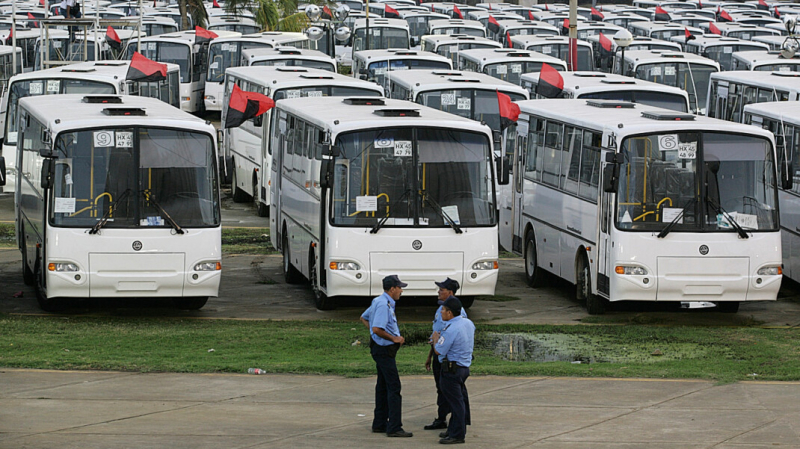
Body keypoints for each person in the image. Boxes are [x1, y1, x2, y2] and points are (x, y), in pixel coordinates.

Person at [360, 275, 413, 438]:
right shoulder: (383, 304)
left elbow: (364, 317)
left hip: (380, 349)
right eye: (399, 288)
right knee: (394, 387)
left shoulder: (379, 301)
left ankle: (380, 423)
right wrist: (393, 338)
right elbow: (377, 328)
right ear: (392, 289)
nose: (401, 291)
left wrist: (375, 334)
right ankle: (394, 427)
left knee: (382, 386)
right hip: (384, 350)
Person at [424, 277, 467, 431]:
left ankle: (455, 424)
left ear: (450, 293)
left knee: (451, 391)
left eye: (442, 290)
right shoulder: (441, 309)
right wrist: (430, 356)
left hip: (449, 358)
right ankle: (442, 418)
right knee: (441, 387)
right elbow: (436, 335)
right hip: (439, 353)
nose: (438, 292)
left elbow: (454, 337)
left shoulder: (458, 313)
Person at [433, 296, 475, 445]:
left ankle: (457, 434)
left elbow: (439, 350)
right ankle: (453, 429)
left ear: (450, 313)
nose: (441, 312)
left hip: (452, 370)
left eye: (443, 310)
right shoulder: (468, 323)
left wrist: (436, 338)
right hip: (463, 368)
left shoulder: (451, 329)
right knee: (459, 400)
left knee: (456, 403)